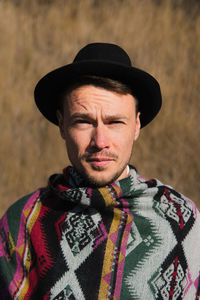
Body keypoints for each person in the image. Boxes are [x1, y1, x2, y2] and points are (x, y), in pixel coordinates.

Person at [0, 43, 200, 300]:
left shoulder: (182, 221)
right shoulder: (23, 222)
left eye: (115, 122)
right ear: (62, 125)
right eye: (83, 122)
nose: (100, 141)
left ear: (136, 125)